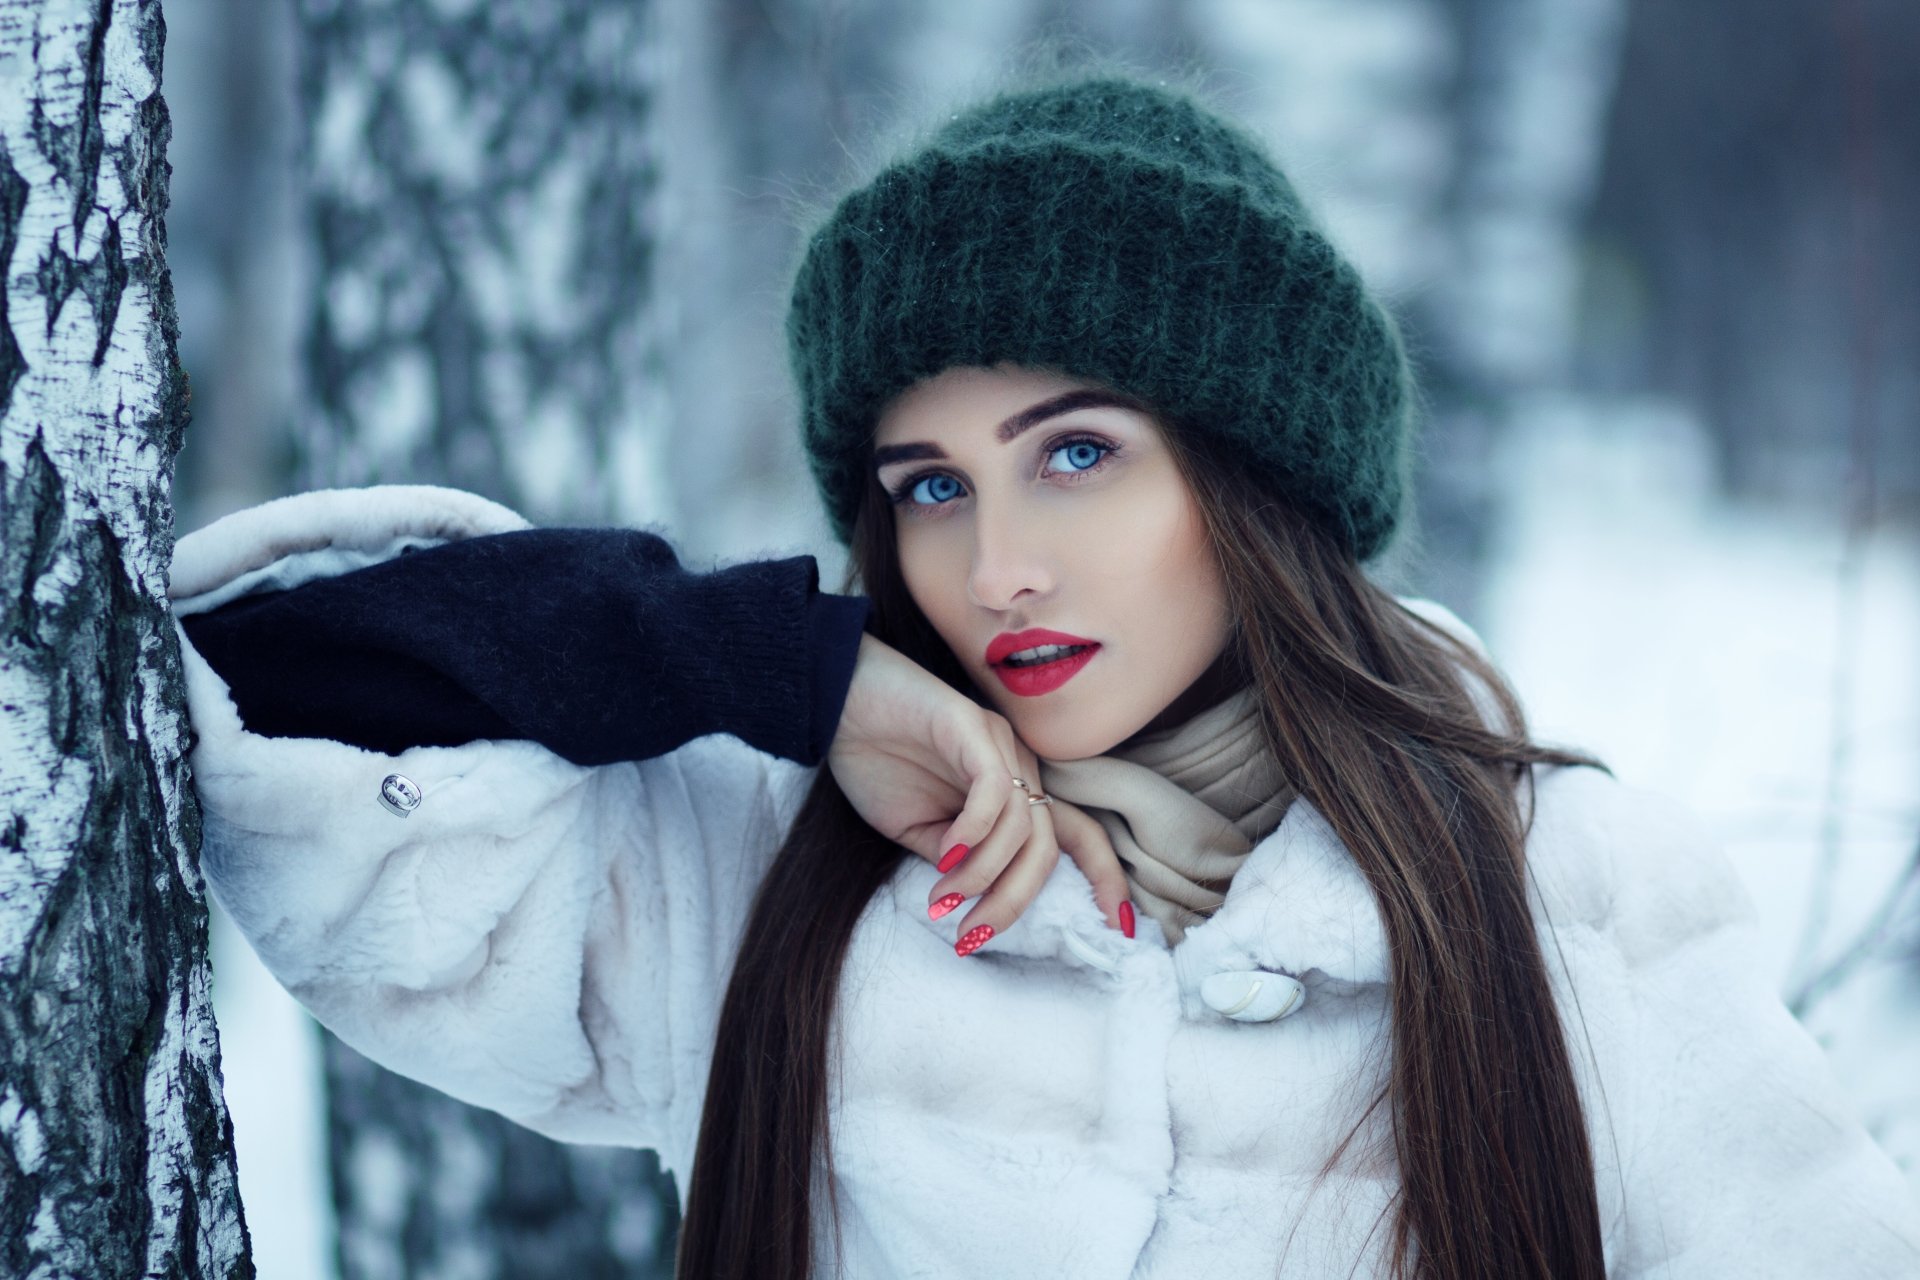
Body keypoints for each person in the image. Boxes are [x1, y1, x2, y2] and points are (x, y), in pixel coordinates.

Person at [171, 73, 1920, 1280]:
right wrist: (783, 667)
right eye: (928, 485)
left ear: (1252, 481)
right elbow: (257, 681)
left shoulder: (1561, 903)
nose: (991, 563)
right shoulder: (752, 867)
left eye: (1075, 455)